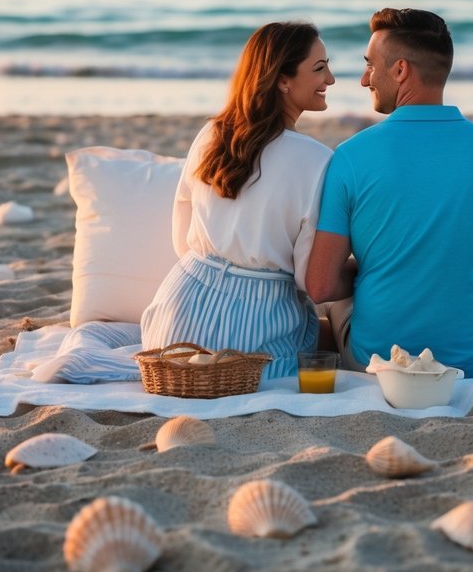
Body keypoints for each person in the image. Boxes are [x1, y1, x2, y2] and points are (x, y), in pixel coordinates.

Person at [306, 8, 473, 378]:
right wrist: (468, 264)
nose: (363, 79)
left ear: (400, 70)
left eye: (370, 65)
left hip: (377, 361)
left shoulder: (350, 156)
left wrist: (377, 268)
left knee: (340, 299)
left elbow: (321, 285)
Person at [141, 22, 335, 379]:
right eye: (320, 68)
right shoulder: (318, 160)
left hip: (174, 319)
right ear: (282, 80)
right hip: (257, 329)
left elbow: (182, 231)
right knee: (331, 336)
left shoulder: (212, 132)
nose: (332, 79)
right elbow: (309, 281)